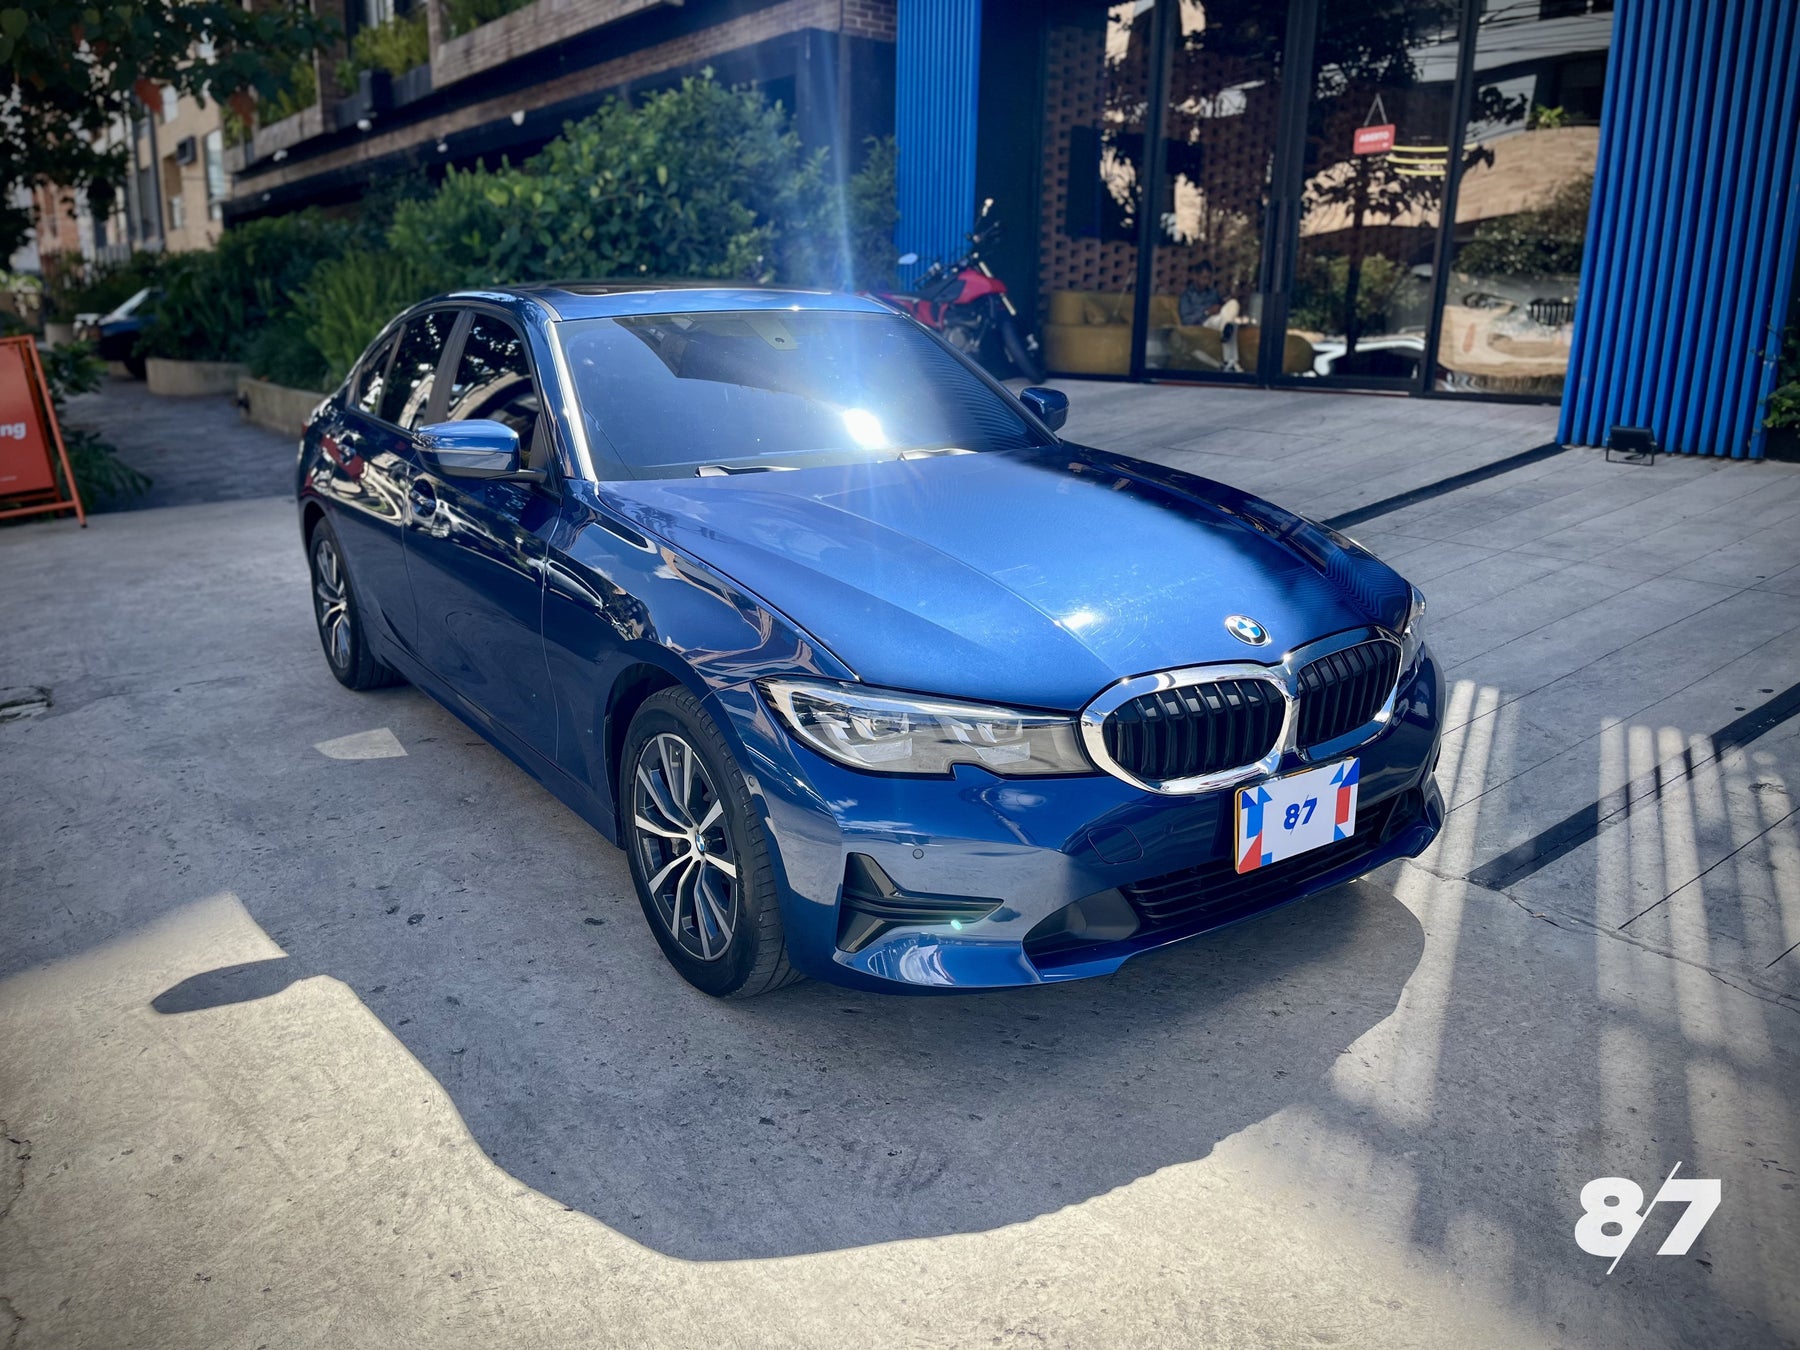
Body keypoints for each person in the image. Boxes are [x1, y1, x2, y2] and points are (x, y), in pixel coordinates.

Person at [1178, 260, 1244, 370]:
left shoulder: (1213, 292)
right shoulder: (1187, 295)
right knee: (1231, 326)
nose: (1206, 281)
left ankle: (1225, 333)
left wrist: (1224, 303)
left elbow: (1225, 311)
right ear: (1196, 276)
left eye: (1209, 278)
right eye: (1204, 278)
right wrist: (1206, 312)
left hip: (1218, 320)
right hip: (1204, 322)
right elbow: (1186, 320)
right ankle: (1231, 361)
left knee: (1233, 304)